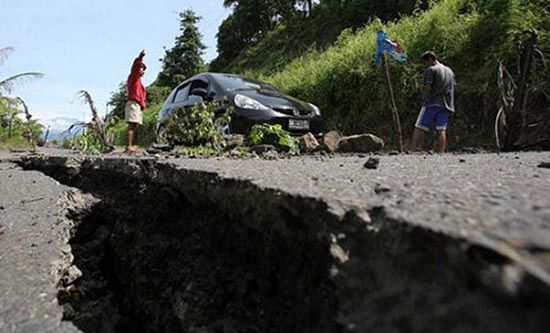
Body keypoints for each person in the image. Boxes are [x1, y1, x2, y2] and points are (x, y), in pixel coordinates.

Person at [411, 51, 455, 153]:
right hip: (446, 104)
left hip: (432, 103)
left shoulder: (431, 70)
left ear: (430, 59)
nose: (425, 65)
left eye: (425, 62)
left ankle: (412, 151)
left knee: (418, 127)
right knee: (442, 129)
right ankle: (441, 152)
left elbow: (428, 87)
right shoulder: (449, 71)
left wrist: (424, 90)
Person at [125, 50, 147, 154]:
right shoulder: (134, 77)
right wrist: (140, 58)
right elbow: (135, 67)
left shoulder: (138, 81)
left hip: (136, 104)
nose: (143, 71)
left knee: (134, 125)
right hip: (133, 103)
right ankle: (128, 147)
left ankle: (129, 146)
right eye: (142, 69)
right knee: (132, 125)